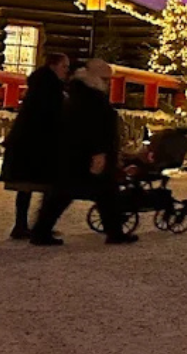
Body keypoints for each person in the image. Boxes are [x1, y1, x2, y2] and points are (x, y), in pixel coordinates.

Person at [31, 59, 130, 245]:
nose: (108, 83)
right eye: (105, 78)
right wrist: (98, 152)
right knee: (95, 191)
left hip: (75, 153)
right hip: (85, 155)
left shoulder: (81, 93)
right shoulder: (91, 96)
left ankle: (41, 230)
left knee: (75, 192)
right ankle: (114, 232)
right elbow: (93, 126)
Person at [0, 52, 70, 240]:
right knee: (48, 184)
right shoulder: (51, 88)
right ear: (53, 66)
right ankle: (41, 226)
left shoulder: (39, 85)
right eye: (64, 66)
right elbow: (52, 116)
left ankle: (23, 224)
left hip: (27, 142)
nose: (66, 71)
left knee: (26, 185)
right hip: (40, 143)